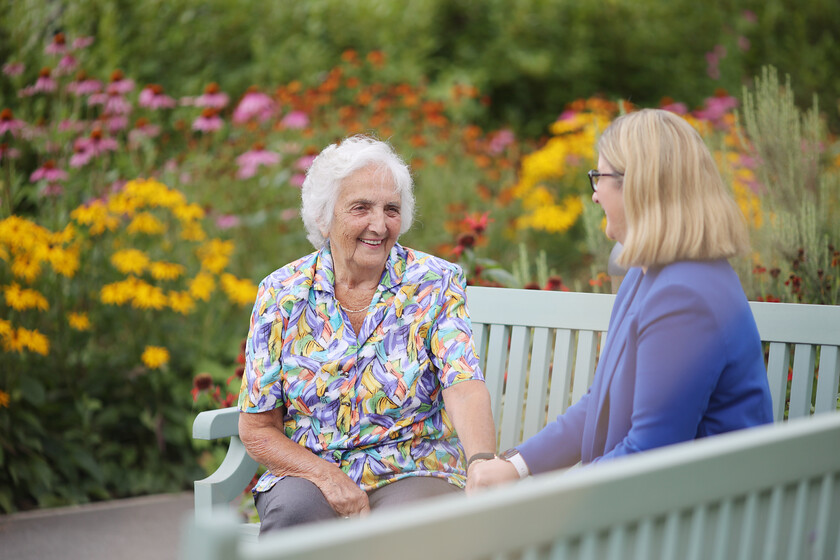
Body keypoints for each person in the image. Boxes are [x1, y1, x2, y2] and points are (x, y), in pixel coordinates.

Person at [469, 108, 773, 489]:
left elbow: (649, 454)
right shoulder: (646, 274)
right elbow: (602, 402)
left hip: (702, 521)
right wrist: (515, 467)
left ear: (641, 185)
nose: (594, 195)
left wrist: (543, 502)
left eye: (599, 177)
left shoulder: (685, 296)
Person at [238, 135, 496, 533]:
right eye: (361, 208)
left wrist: (481, 461)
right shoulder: (282, 294)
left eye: (391, 210)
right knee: (295, 516)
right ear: (325, 216)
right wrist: (327, 477)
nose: (379, 225)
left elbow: (462, 383)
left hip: (412, 466)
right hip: (310, 470)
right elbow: (257, 426)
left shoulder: (434, 283)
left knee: (403, 531)